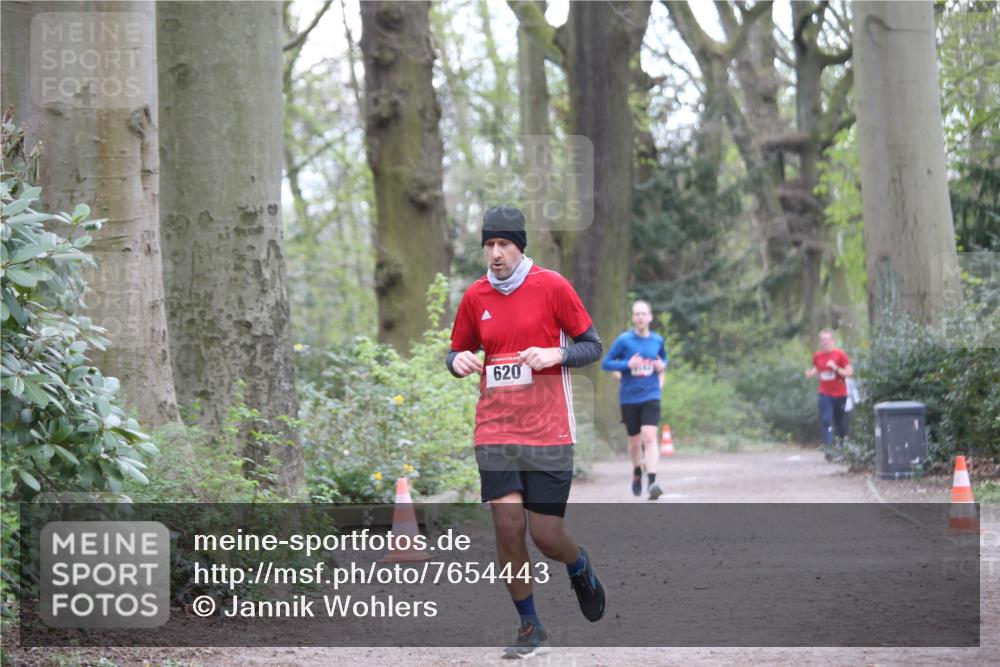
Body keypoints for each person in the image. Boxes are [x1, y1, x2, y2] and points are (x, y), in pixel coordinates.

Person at [446, 205, 606, 659]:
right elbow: (458, 350)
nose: (495, 254)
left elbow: (592, 346)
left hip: (550, 431)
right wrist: (456, 362)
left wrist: (555, 355)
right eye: (489, 245)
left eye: (504, 245)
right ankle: (530, 625)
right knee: (508, 525)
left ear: (520, 247)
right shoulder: (476, 297)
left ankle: (578, 567)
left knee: (547, 536)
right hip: (495, 429)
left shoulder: (552, 286)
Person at [601, 300, 667, 500]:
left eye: (643, 313)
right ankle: (637, 471)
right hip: (629, 397)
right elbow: (606, 363)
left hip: (651, 395)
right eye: (636, 314)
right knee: (634, 442)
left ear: (650, 317)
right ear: (633, 317)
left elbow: (663, 359)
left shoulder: (657, 340)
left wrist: (661, 365)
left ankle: (652, 481)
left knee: (649, 436)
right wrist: (628, 364)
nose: (640, 317)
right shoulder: (624, 340)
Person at [804, 329, 853, 457]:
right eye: (823, 340)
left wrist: (835, 368)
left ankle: (842, 444)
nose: (825, 342)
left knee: (839, 421)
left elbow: (849, 373)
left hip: (840, 394)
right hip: (824, 393)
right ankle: (828, 448)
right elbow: (817, 368)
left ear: (832, 341)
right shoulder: (817, 356)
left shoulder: (840, 355)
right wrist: (811, 372)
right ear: (820, 342)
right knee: (826, 419)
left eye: (828, 339)